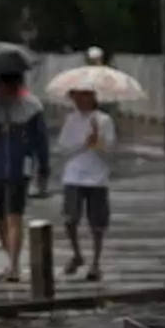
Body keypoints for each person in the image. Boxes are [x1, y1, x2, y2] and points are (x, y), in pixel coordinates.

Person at [0, 72, 50, 282]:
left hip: (19, 168)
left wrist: (43, 169)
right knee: (1, 219)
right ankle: (10, 258)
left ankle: (14, 265)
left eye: (13, 86)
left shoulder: (31, 106)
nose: (9, 90)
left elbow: (41, 140)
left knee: (15, 216)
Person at [57, 88, 116, 281]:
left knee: (98, 223)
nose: (77, 101)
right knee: (70, 218)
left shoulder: (104, 120)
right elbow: (64, 148)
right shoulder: (71, 120)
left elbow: (110, 150)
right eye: (75, 97)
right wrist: (84, 143)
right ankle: (77, 254)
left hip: (97, 178)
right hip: (74, 176)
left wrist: (99, 141)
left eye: (82, 96)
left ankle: (96, 263)